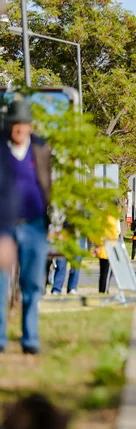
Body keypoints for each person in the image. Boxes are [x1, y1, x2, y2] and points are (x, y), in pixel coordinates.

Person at [0, 100, 51, 355]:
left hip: (35, 225)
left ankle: (30, 340)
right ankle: (0, 339)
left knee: (32, 284)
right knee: (0, 282)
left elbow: (46, 184)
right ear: (7, 125)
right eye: (14, 126)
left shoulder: (40, 147)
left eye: (23, 126)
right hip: (3, 226)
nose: (19, 131)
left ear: (30, 127)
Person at [95, 215, 120, 293]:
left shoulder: (100, 218)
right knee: (107, 273)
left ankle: (102, 291)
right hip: (110, 249)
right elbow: (117, 233)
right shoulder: (114, 219)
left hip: (101, 249)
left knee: (103, 273)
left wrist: (97, 245)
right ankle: (104, 291)